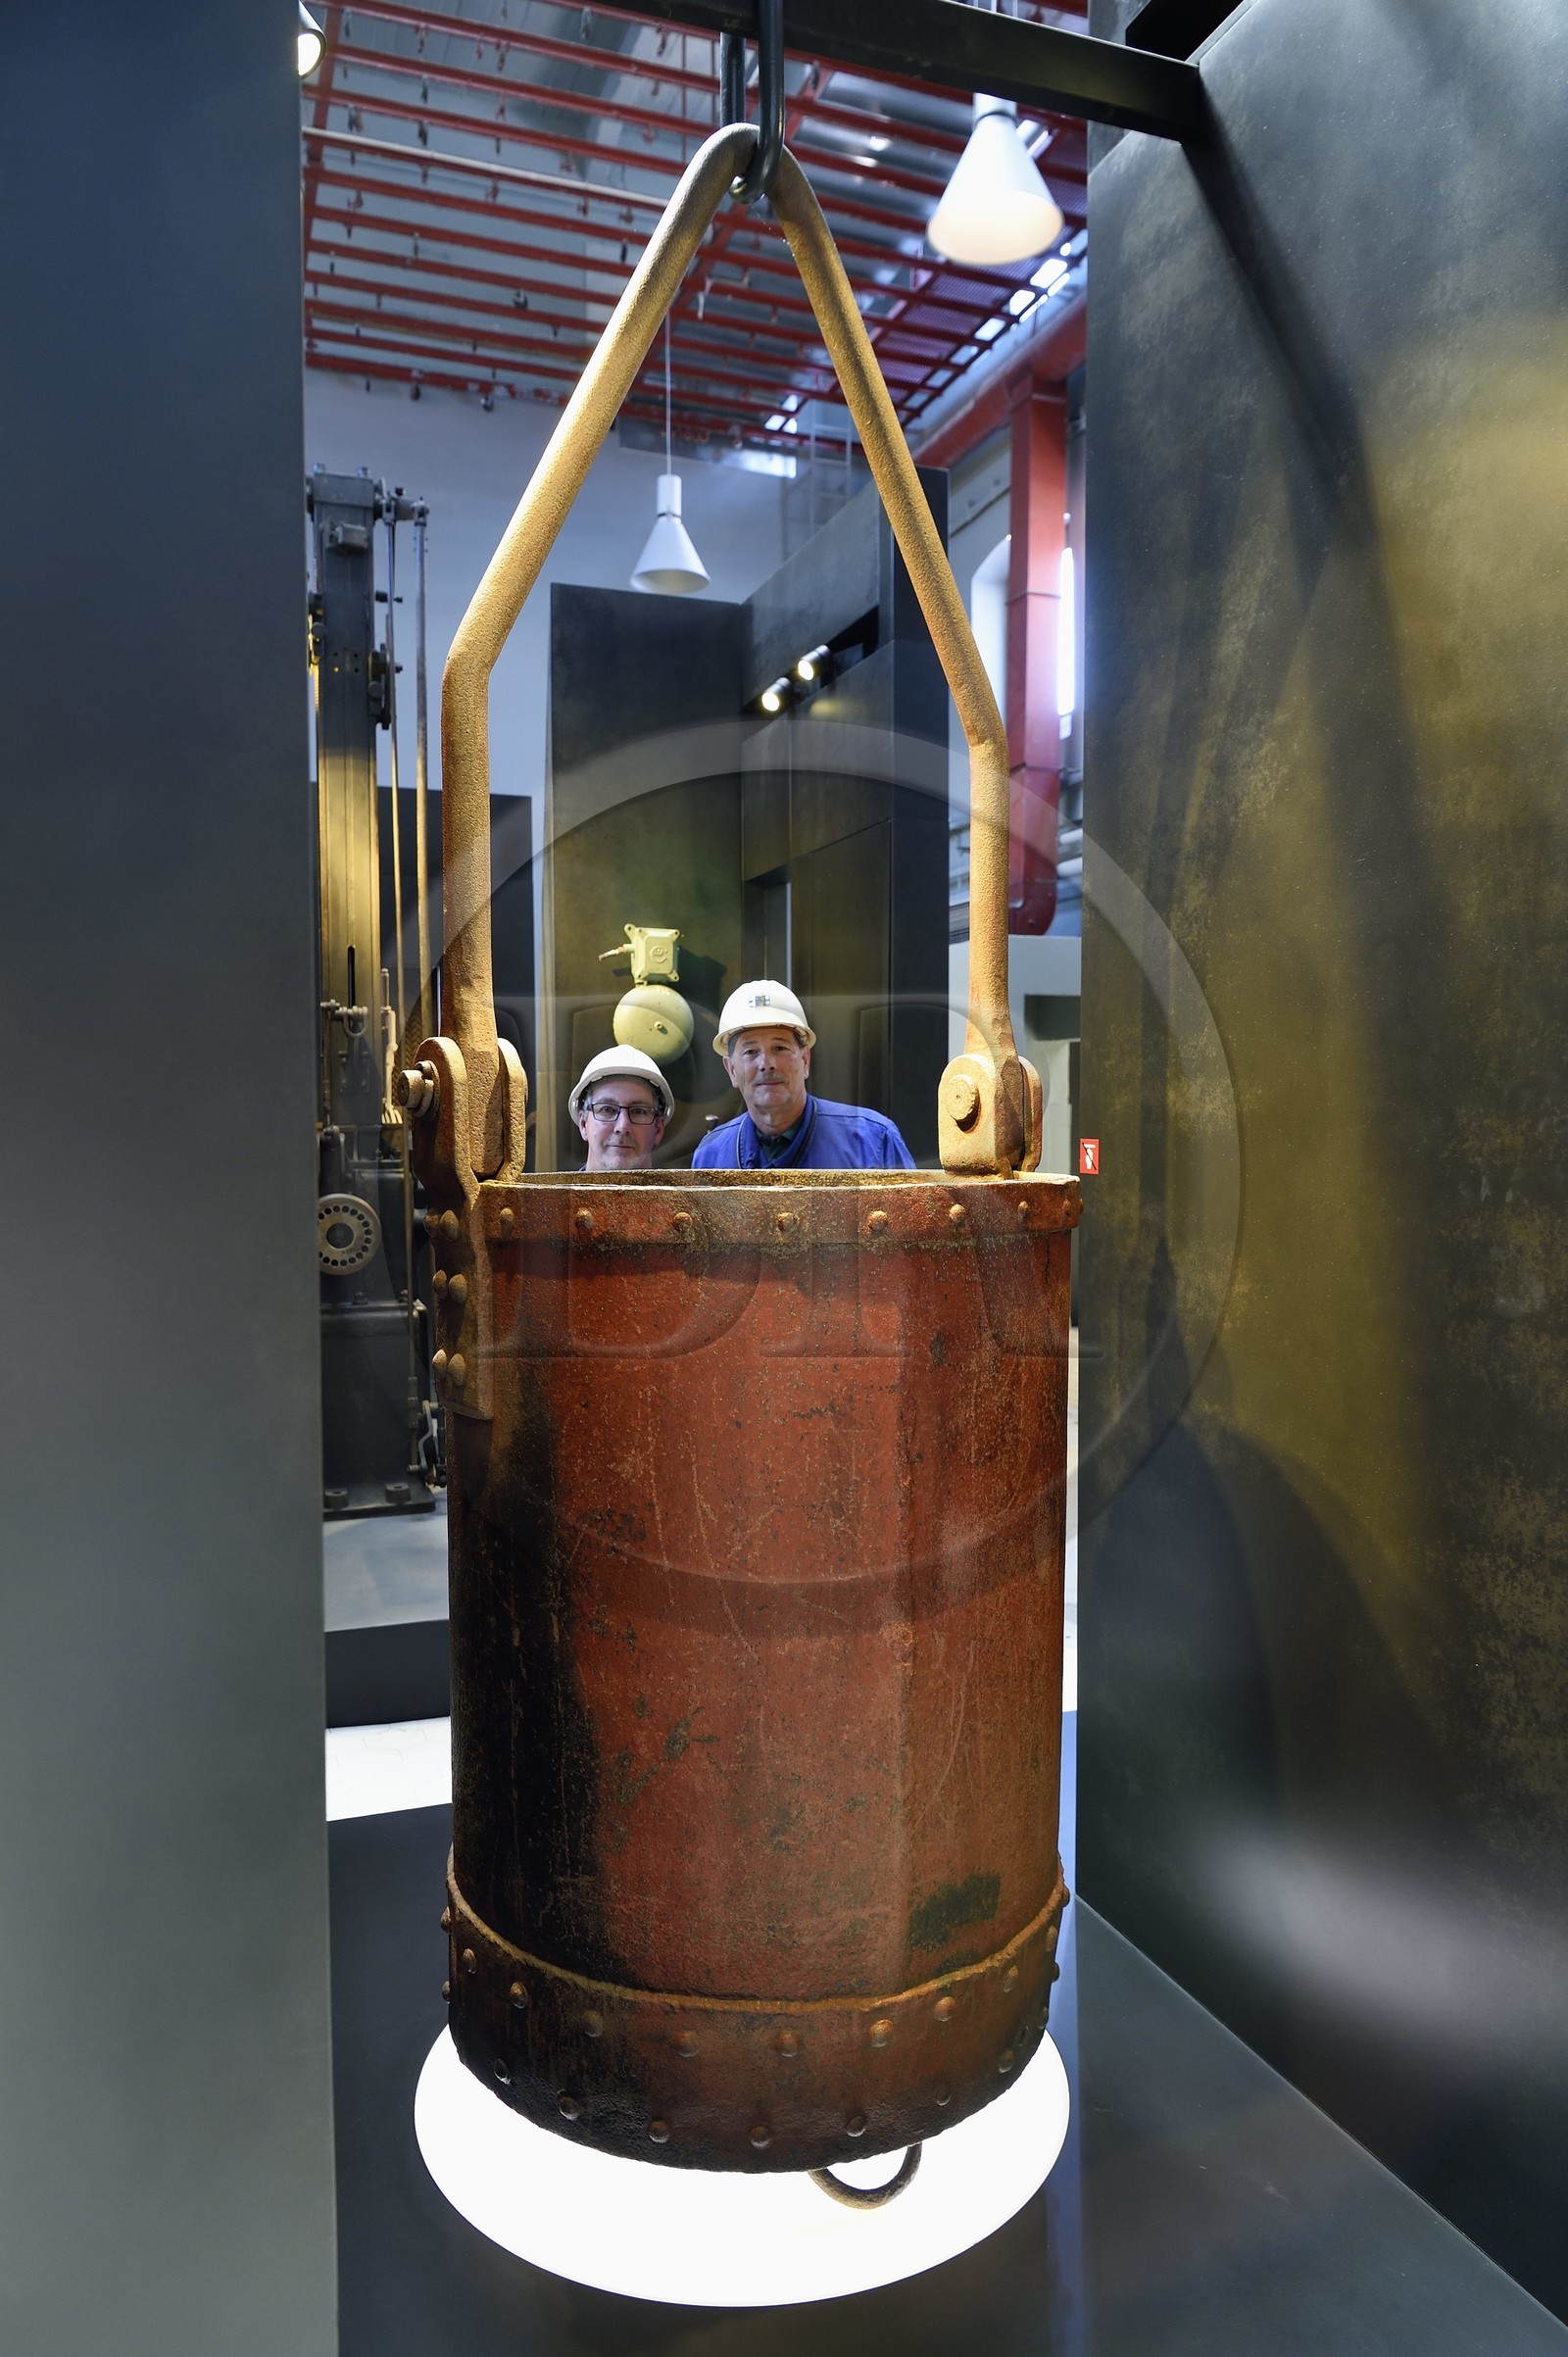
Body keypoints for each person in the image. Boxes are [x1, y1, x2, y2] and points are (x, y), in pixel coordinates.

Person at [693, 981, 915, 1171]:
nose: (767, 1064)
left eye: (780, 1048)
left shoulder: (872, 1141)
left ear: (805, 1059)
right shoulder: (710, 1156)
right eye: (751, 1052)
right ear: (731, 1069)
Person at [569, 1046, 671, 1172]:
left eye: (638, 1111)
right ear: (584, 1124)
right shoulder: (552, 1193)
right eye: (607, 1109)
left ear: (658, 1129)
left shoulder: (689, 1193)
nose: (622, 1127)